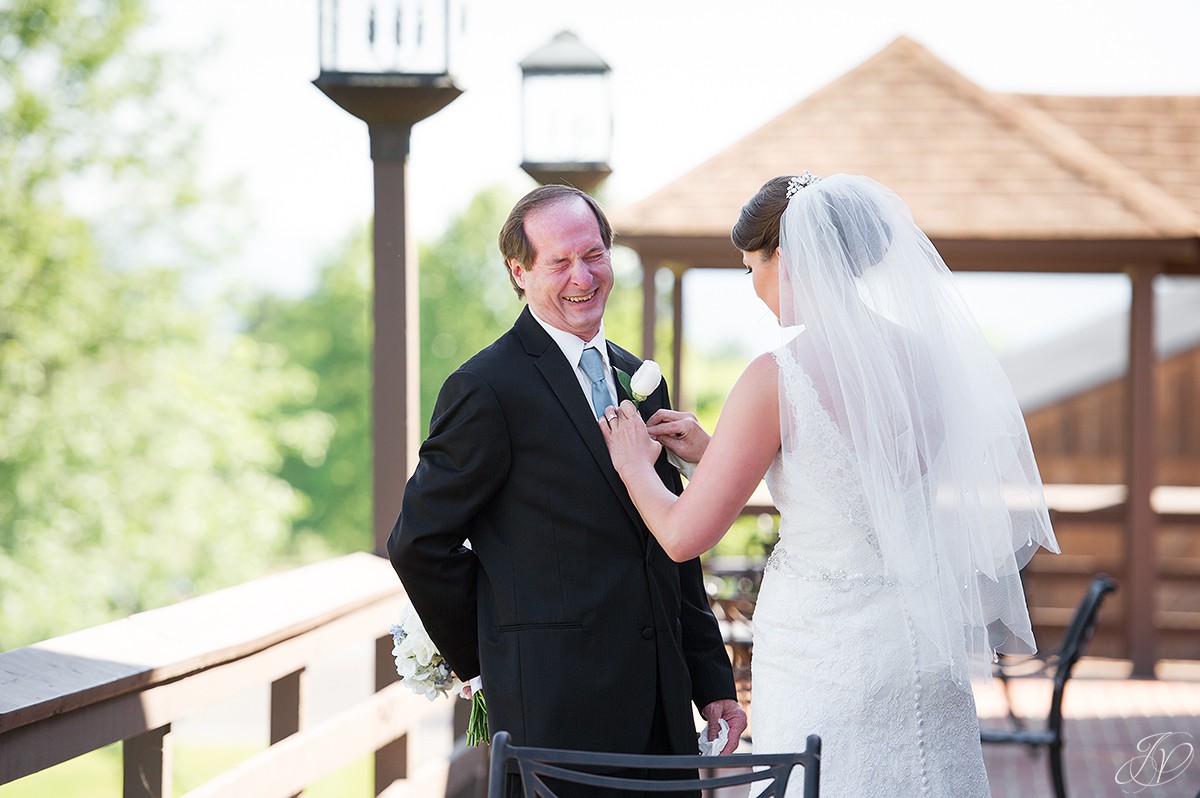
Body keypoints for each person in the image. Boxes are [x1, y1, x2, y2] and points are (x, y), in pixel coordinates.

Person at [601, 172, 1060, 797]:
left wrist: (632, 462)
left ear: (785, 258)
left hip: (827, 652)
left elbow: (683, 536)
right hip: (921, 642)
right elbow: (856, 494)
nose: (754, 289)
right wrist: (716, 454)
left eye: (749, 269)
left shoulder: (776, 376)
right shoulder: (925, 361)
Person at [388, 184, 746, 795]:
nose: (582, 276)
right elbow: (419, 542)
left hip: (663, 711)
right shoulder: (486, 388)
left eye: (594, 255)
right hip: (554, 715)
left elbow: (670, 540)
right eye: (559, 262)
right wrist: (489, 655)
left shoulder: (640, 379)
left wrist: (712, 682)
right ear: (519, 272)